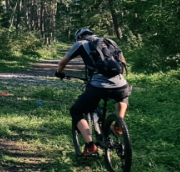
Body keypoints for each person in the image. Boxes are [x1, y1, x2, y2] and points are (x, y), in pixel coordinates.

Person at [55, 27, 130, 156]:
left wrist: (59, 73)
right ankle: (119, 125)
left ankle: (90, 146)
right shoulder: (110, 41)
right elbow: (123, 64)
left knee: (76, 111)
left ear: (78, 37)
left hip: (98, 86)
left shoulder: (81, 44)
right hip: (121, 84)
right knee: (123, 96)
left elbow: (62, 63)